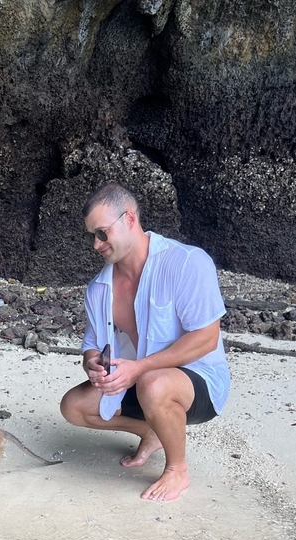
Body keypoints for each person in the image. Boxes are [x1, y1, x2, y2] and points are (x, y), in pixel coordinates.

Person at [60, 183, 230, 502]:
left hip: (198, 383)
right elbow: (92, 345)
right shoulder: (98, 289)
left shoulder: (186, 262)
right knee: (74, 406)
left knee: (153, 384)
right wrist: (93, 363)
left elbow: (207, 339)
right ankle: (150, 431)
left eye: (102, 233)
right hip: (136, 380)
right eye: (91, 236)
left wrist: (139, 368)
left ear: (130, 219)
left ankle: (177, 470)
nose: (96, 244)